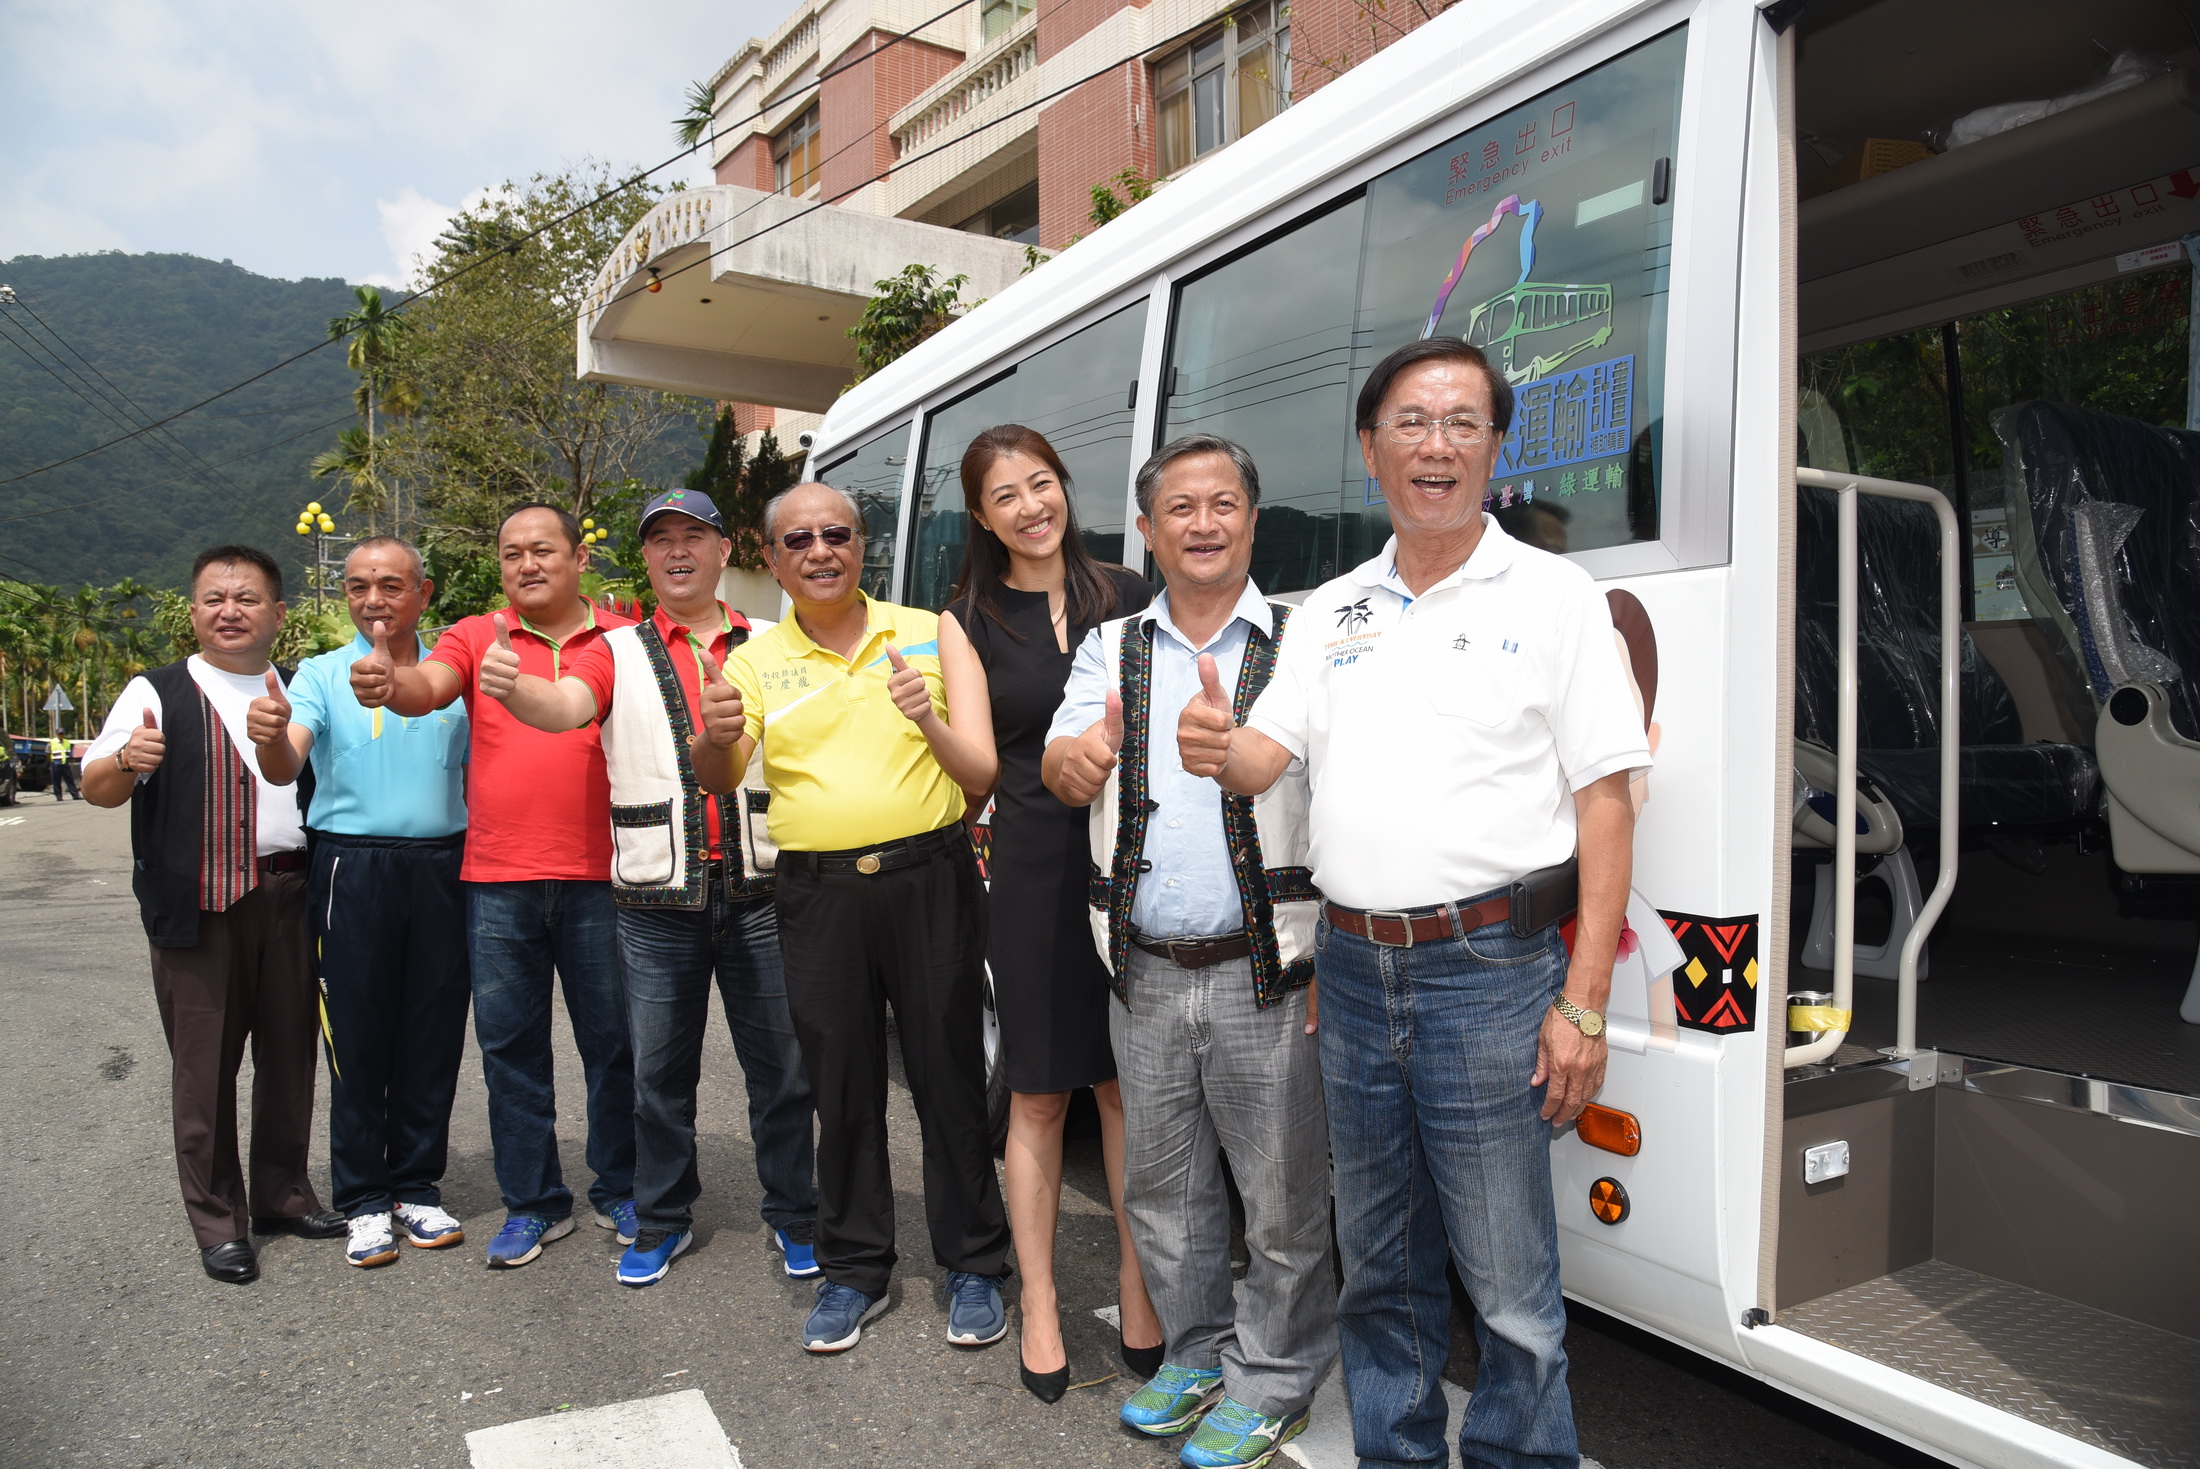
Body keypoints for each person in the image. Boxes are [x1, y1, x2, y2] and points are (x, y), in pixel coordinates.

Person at [1179, 338, 1650, 1469]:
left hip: (1489, 973)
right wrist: (1213, 744)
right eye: (1411, 422)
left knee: (1509, 1284)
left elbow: (1608, 803)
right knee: (1380, 1263)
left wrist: (1583, 1002)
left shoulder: (1556, 596)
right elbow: (1265, 758)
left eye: (1461, 423)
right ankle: (1393, 1452)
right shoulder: (1330, 608)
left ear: (1494, 446)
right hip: (1351, 969)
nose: (1435, 445)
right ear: (1370, 446)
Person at [1044, 435, 1333, 1469]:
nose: (1202, 523)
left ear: (1252, 518)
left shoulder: (1305, 641)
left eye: (1222, 503)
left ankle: (1276, 1377)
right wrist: (1081, 760)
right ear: (1148, 529)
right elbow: (1062, 763)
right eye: (1180, 507)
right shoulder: (1109, 646)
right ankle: (1198, 1352)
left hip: (1272, 970)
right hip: (1146, 966)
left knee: (1284, 1197)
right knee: (1162, 1190)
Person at [483, 488, 817, 1290]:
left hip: (762, 888)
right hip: (654, 895)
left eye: (693, 536)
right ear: (644, 557)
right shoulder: (615, 648)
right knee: (658, 1075)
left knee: (782, 1068)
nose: (677, 551)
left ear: (724, 550)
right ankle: (663, 1217)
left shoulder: (773, 640)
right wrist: (513, 687)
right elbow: (564, 704)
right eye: (661, 539)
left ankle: (797, 1213)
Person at [710, 480, 1011, 1356]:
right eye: (798, 539)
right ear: (772, 559)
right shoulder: (753, 660)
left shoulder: (930, 629)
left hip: (931, 878)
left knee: (950, 1079)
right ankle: (853, 1269)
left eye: (836, 534)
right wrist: (712, 734)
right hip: (817, 893)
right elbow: (719, 774)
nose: (819, 551)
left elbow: (982, 774)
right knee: (839, 1086)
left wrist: (924, 716)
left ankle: (974, 1264)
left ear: (861, 543)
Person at [358, 504, 640, 1269]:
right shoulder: (476, 634)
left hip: (602, 875)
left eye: (542, 549)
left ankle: (621, 1185)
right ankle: (534, 1201)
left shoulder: (623, 638)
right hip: (497, 879)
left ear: (579, 557)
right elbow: (427, 685)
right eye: (511, 552)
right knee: (510, 1048)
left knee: (614, 1043)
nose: (526, 564)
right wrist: (390, 682)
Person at [940, 425, 1161, 1402]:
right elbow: (982, 767)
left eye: (1041, 483)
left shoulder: (1131, 592)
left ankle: (1137, 1282)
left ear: (1064, 485)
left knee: (1124, 1086)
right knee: (1037, 1092)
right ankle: (1038, 1299)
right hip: (1033, 864)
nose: (1030, 506)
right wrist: (925, 722)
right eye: (1006, 495)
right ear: (982, 517)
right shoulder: (967, 618)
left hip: (1134, 858)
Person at [82, 546, 343, 1284]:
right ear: (194, 611)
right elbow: (97, 786)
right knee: (204, 1070)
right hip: (197, 903)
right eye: (214, 598)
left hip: (290, 894)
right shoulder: (155, 689)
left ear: (278, 613)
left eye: (247, 598)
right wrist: (127, 759)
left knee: (290, 1057)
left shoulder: (299, 687)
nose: (230, 611)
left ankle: (283, 1196)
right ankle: (219, 1220)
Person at [246, 536, 471, 1269]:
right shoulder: (319, 672)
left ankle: (417, 1186)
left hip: (444, 867)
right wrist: (270, 738)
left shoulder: (452, 673)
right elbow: (287, 761)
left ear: (424, 593)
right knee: (357, 1035)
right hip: (352, 866)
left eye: (391, 585)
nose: (373, 600)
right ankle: (366, 1199)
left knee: (433, 1031)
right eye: (357, 586)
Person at [48, 731, 81, 799]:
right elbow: (47, 752)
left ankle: (75, 795)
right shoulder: (52, 742)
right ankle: (59, 796)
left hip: (65, 763)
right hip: (56, 763)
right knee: (56, 780)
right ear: (57, 734)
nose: (61, 735)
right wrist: (51, 761)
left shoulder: (67, 742)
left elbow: (69, 752)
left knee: (69, 779)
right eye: (59, 734)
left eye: (62, 734)